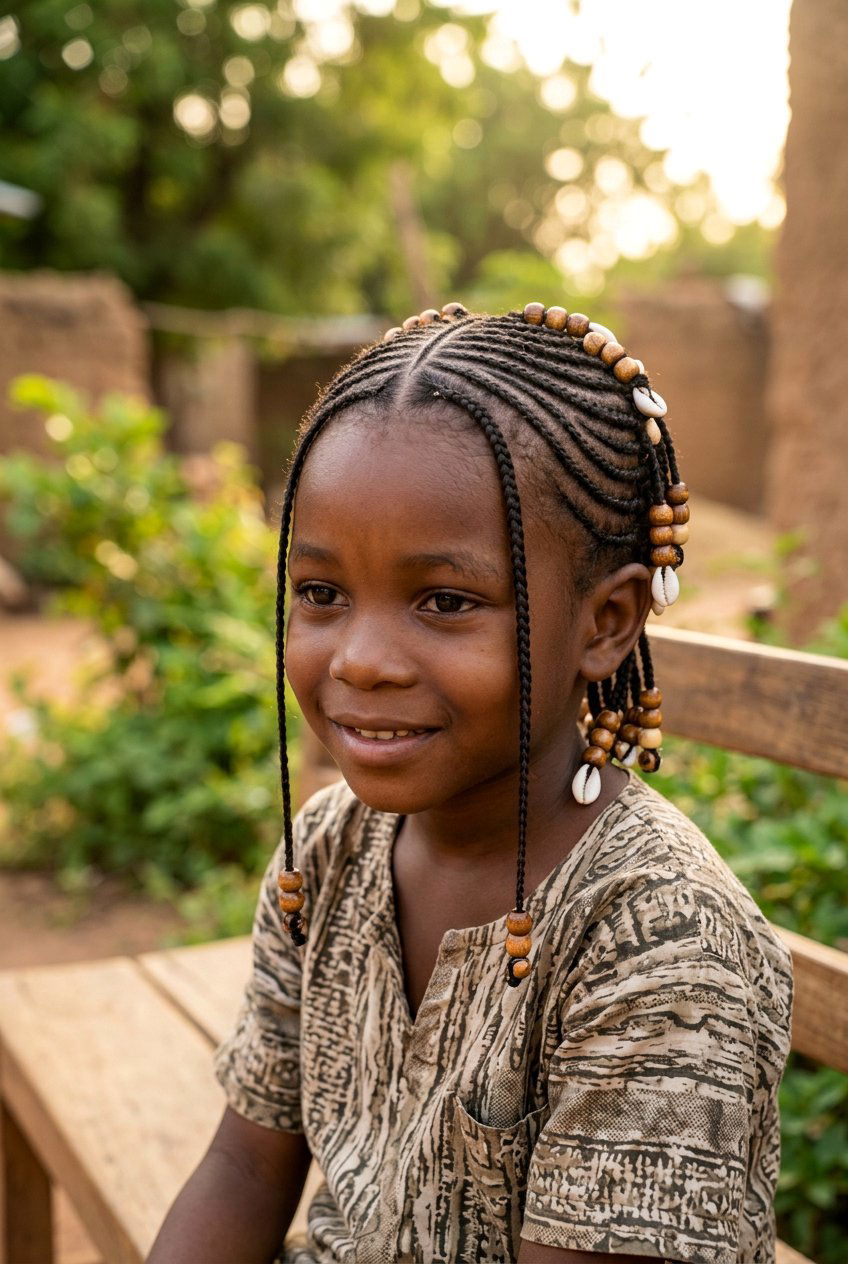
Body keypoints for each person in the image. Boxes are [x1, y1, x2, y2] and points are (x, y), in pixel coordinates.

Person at [148, 302, 793, 1264]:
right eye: (321, 593)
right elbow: (246, 1164)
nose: (361, 660)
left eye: (445, 601)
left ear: (607, 622)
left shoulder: (659, 943)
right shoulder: (326, 849)